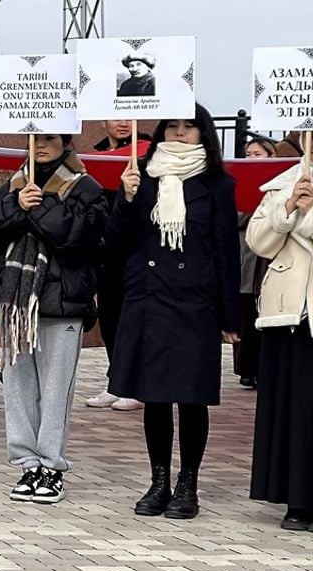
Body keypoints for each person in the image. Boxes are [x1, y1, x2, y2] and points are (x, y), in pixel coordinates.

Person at [106, 105, 240, 520]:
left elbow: (226, 252)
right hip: (149, 299)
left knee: (191, 398)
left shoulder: (218, 184)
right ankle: (159, 479)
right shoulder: (140, 178)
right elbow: (113, 245)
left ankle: (188, 482)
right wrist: (126, 200)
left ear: (204, 134)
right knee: (155, 397)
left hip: (194, 302)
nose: (180, 134)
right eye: (173, 126)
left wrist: (229, 317)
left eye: (190, 127)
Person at [0, 134, 107, 504]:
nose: (41, 146)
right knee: (17, 386)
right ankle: (26, 463)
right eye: (35, 139)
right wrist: (15, 205)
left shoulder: (86, 187)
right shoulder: (15, 183)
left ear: (66, 143)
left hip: (62, 302)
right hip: (16, 304)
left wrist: (40, 207)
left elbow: (78, 237)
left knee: (55, 389)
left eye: (50, 139)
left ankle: (51, 465)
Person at [246, 164, 313, 532]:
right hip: (288, 311)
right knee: (292, 407)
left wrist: (307, 214)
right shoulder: (285, 182)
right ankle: (296, 498)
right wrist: (287, 207)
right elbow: (259, 241)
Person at [86, 119, 152, 412]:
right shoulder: (95, 155)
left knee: (134, 317)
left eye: (129, 117)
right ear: (103, 121)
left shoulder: (149, 151)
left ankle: (139, 384)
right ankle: (117, 380)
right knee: (110, 316)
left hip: (137, 248)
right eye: (116, 116)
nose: (123, 123)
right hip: (104, 248)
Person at [235, 138, 278, 387]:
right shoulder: (240, 181)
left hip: (269, 256)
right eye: (248, 154)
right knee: (246, 314)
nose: (252, 158)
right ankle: (246, 368)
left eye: (257, 153)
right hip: (247, 255)